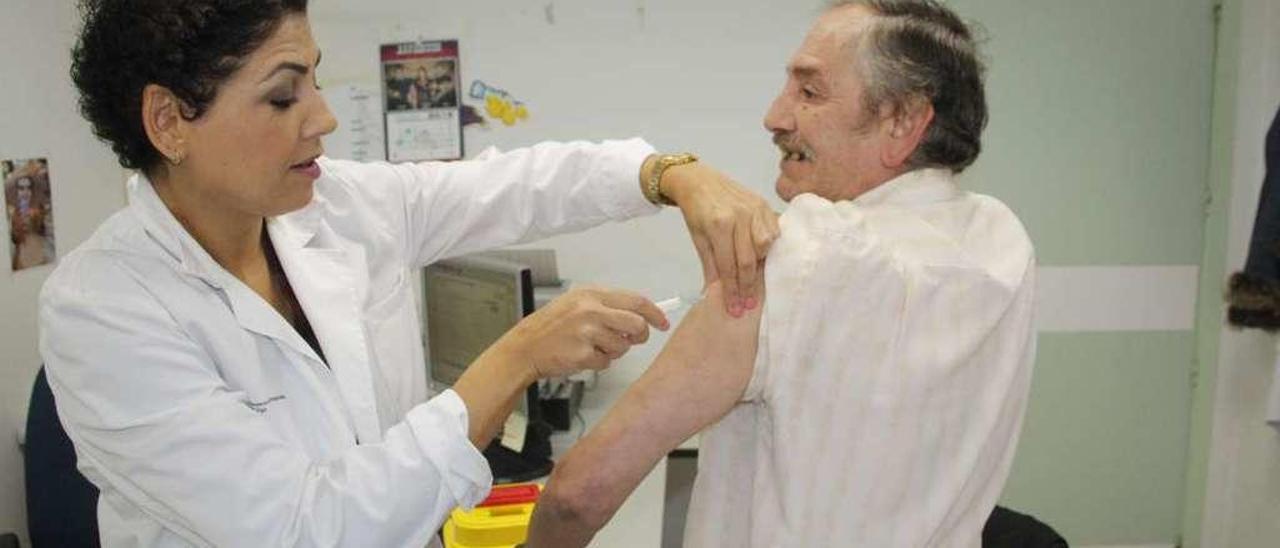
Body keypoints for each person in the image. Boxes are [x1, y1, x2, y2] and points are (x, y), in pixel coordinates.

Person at [42, 1, 779, 546]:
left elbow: (517, 185)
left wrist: (668, 174)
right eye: (283, 95)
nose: (323, 117)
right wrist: (519, 354)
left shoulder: (334, 205)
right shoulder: (103, 309)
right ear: (169, 121)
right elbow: (306, 528)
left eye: (317, 83)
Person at [526, 1, 1037, 546]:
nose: (775, 116)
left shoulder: (799, 255)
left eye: (810, 92)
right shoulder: (1003, 239)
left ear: (903, 123)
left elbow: (578, 495)